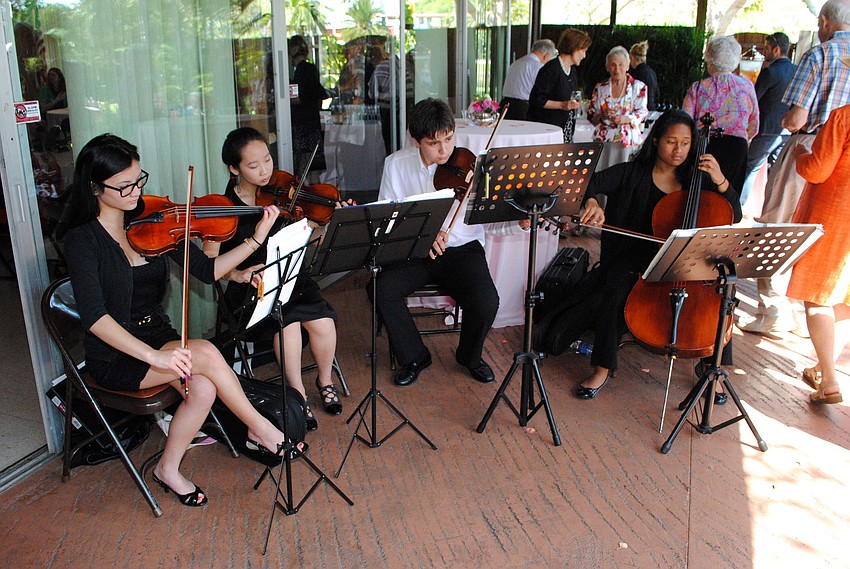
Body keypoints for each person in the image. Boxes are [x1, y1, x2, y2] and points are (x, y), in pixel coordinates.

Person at [61, 134, 293, 507]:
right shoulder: (82, 241)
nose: (135, 191)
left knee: (202, 388)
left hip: (159, 336)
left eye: (139, 179)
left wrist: (256, 239)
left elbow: (207, 270)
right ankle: (261, 427)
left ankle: (167, 468)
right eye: (124, 186)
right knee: (202, 352)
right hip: (116, 353)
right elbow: (95, 318)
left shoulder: (154, 220)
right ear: (94, 188)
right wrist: (155, 358)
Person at [574, 110, 741, 399]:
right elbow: (587, 181)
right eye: (671, 141)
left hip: (686, 258)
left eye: (686, 143)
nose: (678, 150)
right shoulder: (632, 172)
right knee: (615, 285)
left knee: (722, 288)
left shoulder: (697, 179)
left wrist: (721, 180)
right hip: (638, 256)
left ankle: (712, 367)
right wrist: (592, 202)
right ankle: (602, 367)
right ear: (656, 141)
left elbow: (734, 214)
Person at [204, 127, 343, 432]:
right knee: (289, 324)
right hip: (253, 289)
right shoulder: (223, 208)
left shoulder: (283, 193)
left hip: (291, 276)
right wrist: (238, 274)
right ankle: (297, 395)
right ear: (233, 168)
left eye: (267, 160)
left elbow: (312, 240)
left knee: (324, 322)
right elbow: (209, 265)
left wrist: (327, 221)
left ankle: (325, 380)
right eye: (253, 166)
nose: (266, 170)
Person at [375, 98, 500, 387]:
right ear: (416, 140)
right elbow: (387, 219)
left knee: (486, 301)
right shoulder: (395, 165)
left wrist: (518, 220)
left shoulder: (472, 166)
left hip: (461, 249)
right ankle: (415, 356)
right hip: (415, 250)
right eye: (434, 143)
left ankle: (469, 356)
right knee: (382, 290)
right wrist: (423, 235)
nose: (444, 150)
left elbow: (490, 221)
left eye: (449, 138)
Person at [744, 0, 850, 336]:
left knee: (776, 228)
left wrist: (788, 121)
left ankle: (773, 311)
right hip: (845, 161)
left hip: (813, 146)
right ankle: (816, 313)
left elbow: (797, 118)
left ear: (824, 21)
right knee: (824, 236)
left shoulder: (819, 55)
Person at [786, 58, 850, 404]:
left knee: (818, 296)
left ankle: (829, 380)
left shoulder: (843, 116)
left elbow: (817, 170)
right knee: (843, 298)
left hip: (837, 215)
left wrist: (799, 153)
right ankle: (823, 369)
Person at [683, 35, 759, 199]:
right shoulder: (747, 86)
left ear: (710, 60)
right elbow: (754, 124)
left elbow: (685, 123)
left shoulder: (698, 88)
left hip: (706, 147)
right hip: (736, 148)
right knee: (728, 198)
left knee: (700, 197)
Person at [738, 32, 796, 208]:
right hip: (787, 131)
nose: (764, 53)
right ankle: (769, 208)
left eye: (767, 48)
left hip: (766, 129)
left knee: (750, 168)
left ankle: (737, 207)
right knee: (776, 172)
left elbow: (753, 100)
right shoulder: (797, 70)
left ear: (776, 49)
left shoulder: (770, 72)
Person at [587, 45, 649, 166]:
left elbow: (642, 112)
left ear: (627, 65)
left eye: (621, 64)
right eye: (613, 64)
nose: (617, 69)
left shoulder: (638, 87)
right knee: (602, 175)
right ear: (607, 67)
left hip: (627, 141)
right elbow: (591, 114)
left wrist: (626, 119)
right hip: (604, 140)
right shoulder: (600, 87)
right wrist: (602, 114)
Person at [528, 28, 592, 143]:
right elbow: (536, 99)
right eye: (583, 50)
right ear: (574, 47)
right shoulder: (551, 69)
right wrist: (562, 105)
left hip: (565, 130)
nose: (584, 56)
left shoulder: (572, 71)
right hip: (548, 131)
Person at [288, 35, 329, 180]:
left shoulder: (300, 71)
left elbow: (300, 98)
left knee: (303, 163)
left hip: (302, 123)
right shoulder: (310, 69)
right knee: (310, 161)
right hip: (311, 121)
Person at [499, 39, 557, 121]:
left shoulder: (516, 63)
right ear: (546, 56)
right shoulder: (539, 67)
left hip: (505, 106)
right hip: (523, 109)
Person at [629, 41, 660, 112]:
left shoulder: (637, 75)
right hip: (652, 110)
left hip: (641, 111)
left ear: (632, 57)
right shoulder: (652, 72)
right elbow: (657, 94)